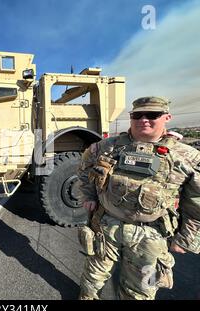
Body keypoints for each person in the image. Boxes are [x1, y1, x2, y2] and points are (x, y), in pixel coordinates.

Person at [77, 96, 200, 300]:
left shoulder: (186, 156)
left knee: (141, 291)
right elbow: (84, 168)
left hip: (151, 236)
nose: (144, 119)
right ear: (131, 117)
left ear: (167, 117)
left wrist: (185, 239)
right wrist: (88, 195)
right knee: (92, 279)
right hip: (106, 226)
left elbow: (196, 201)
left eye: (152, 115)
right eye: (137, 115)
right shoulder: (106, 147)